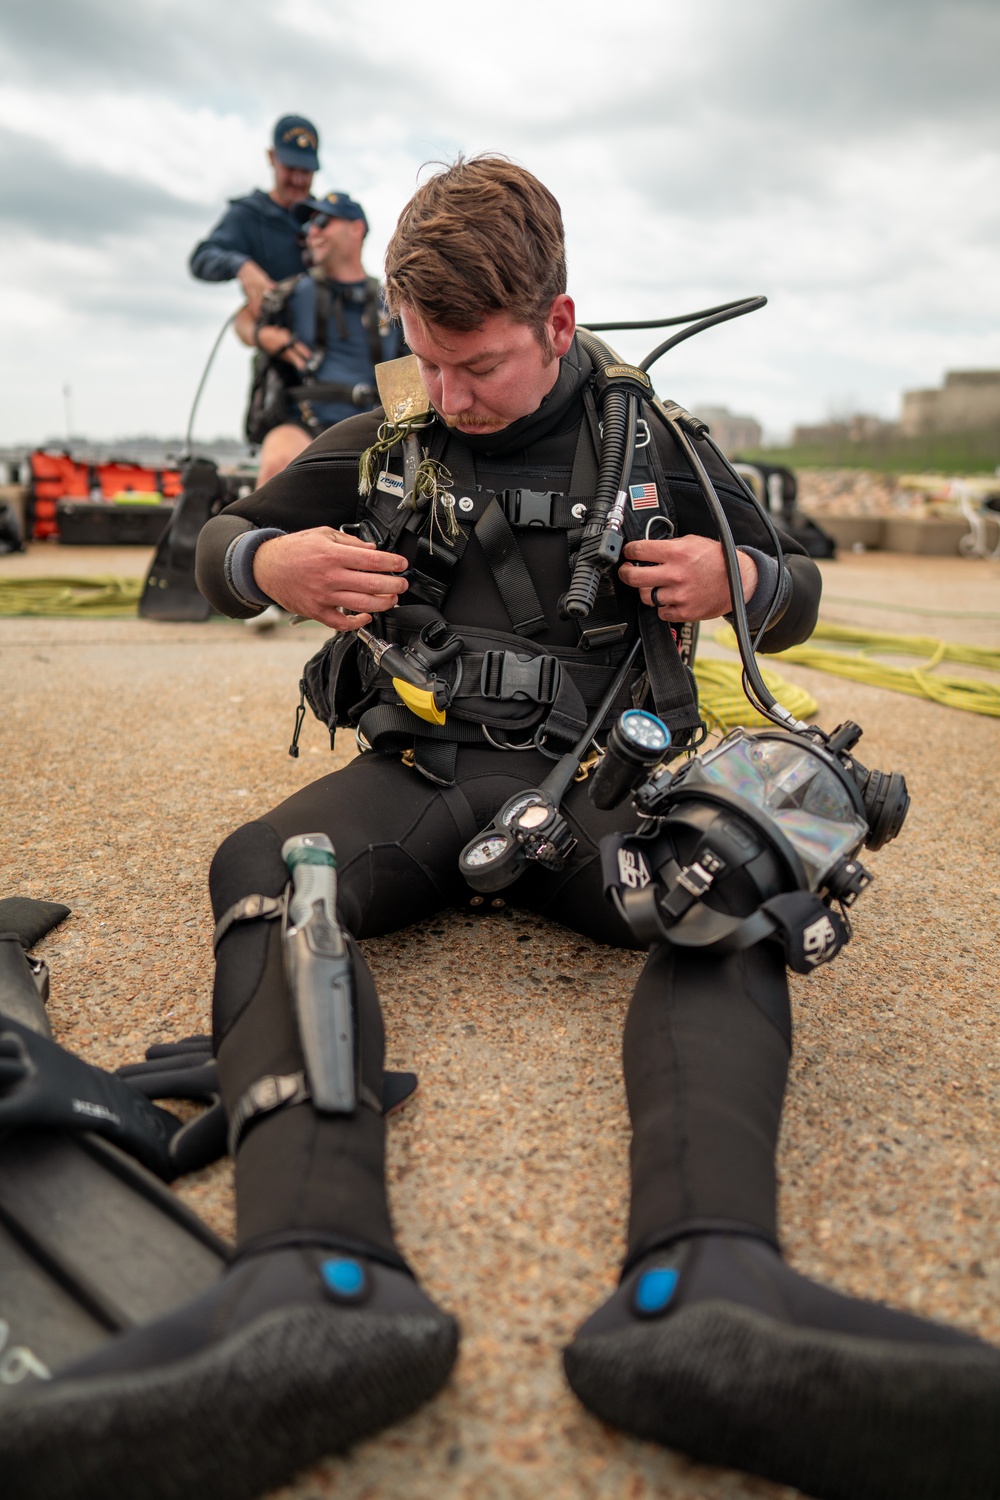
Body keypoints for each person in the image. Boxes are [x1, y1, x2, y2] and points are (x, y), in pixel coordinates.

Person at [6, 157, 997, 1500]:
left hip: (601, 782)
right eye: (429, 360)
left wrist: (735, 573)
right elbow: (216, 540)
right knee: (262, 868)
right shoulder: (400, 432)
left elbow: (798, 585)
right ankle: (315, 1277)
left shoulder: (658, 441)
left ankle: (712, 1282)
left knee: (742, 875)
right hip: (426, 776)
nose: (452, 397)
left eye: (478, 365)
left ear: (558, 318)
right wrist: (269, 565)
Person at [251, 191, 403, 487]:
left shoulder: (395, 301)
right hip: (306, 425)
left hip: (375, 430)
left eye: (322, 222)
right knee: (275, 463)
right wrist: (263, 335)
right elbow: (244, 320)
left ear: (356, 228)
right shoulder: (291, 294)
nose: (312, 232)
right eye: (308, 227)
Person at [189, 115, 320, 347]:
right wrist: (241, 265)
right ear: (271, 157)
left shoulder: (324, 218)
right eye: (290, 168)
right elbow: (201, 258)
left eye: (306, 171)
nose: (299, 179)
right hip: (280, 351)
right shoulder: (247, 215)